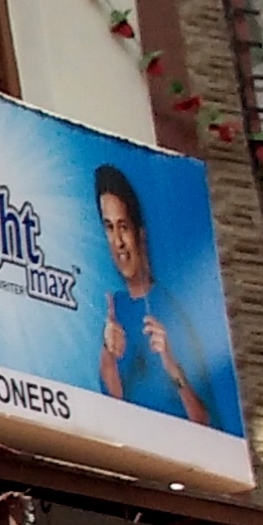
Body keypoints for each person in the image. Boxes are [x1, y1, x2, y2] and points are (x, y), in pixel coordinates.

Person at [94, 166, 219, 429]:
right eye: (108, 227)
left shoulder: (170, 312)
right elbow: (116, 402)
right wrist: (108, 354)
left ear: (140, 234)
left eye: (123, 227)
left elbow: (204, 421)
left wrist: (172, 368)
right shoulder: (115, 309)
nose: (118, 241)